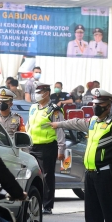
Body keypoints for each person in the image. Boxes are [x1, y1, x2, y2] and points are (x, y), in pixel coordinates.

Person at [51, 88, 112, 222]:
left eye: (99, 105)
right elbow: (76, 123)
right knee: (92, 213)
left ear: (108, 106)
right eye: (94, 104)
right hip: (90, 174)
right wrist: (58, 124)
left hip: (106, 174)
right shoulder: (93, 121)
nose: (96, 108)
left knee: (110, 212)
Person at [26, 83, 66, 214]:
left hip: (47, 146)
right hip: (32, 146)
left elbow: (60, 129)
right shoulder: (33, 107)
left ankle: (47, 205)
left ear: (46, 93)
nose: (36, 94)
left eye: (39, 92)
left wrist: (61, 148)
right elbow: (28, 126)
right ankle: (32, 201)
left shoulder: (53, 109)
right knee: (31, 175)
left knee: (47, 176)